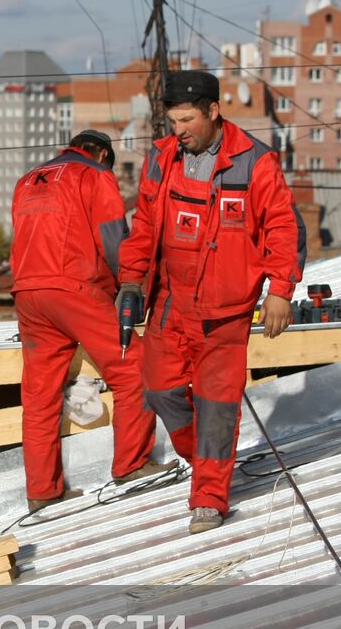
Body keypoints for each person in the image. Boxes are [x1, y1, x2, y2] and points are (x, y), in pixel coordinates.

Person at [116, 71, 306, 534]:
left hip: (225, 311)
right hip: (170, 302)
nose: (177, 129)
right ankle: (202, 458)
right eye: (172, 120)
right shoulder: (161, 159)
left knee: (217, 406)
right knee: (159, 390)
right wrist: (131, 281)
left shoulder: (255, 162)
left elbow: (283, 229)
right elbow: (143, 225)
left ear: (214, 112)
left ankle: (209, 497)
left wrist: (280, 290)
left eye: (186, 120)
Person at [11, 130, 173, 512]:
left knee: (39, 396)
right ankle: (132, 463)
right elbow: (114, 240)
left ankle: (42, 491)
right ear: (102, 153)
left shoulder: (27, 181)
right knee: (133, 366)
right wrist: (132, 288)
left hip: (27, 294)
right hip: (73, 286)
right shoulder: (95, 175)